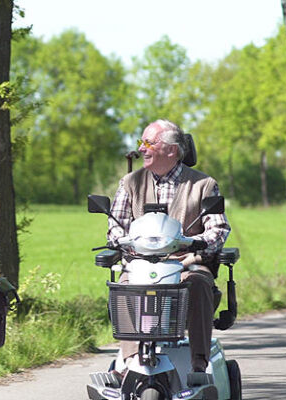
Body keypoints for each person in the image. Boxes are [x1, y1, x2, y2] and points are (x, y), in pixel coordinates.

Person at [107, 119, 231, 381]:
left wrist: (195, 245)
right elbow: (116, 226)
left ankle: (198, 365)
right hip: (141, 263)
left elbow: (218, 229)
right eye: (141, 142)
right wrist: (122, 240)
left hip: (186, 261)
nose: (142, 149)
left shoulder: (203, 185)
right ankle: (129, 362)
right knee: (127, 283)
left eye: (149, 142)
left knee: (197, 282)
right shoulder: (130, 182)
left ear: (172, 150)